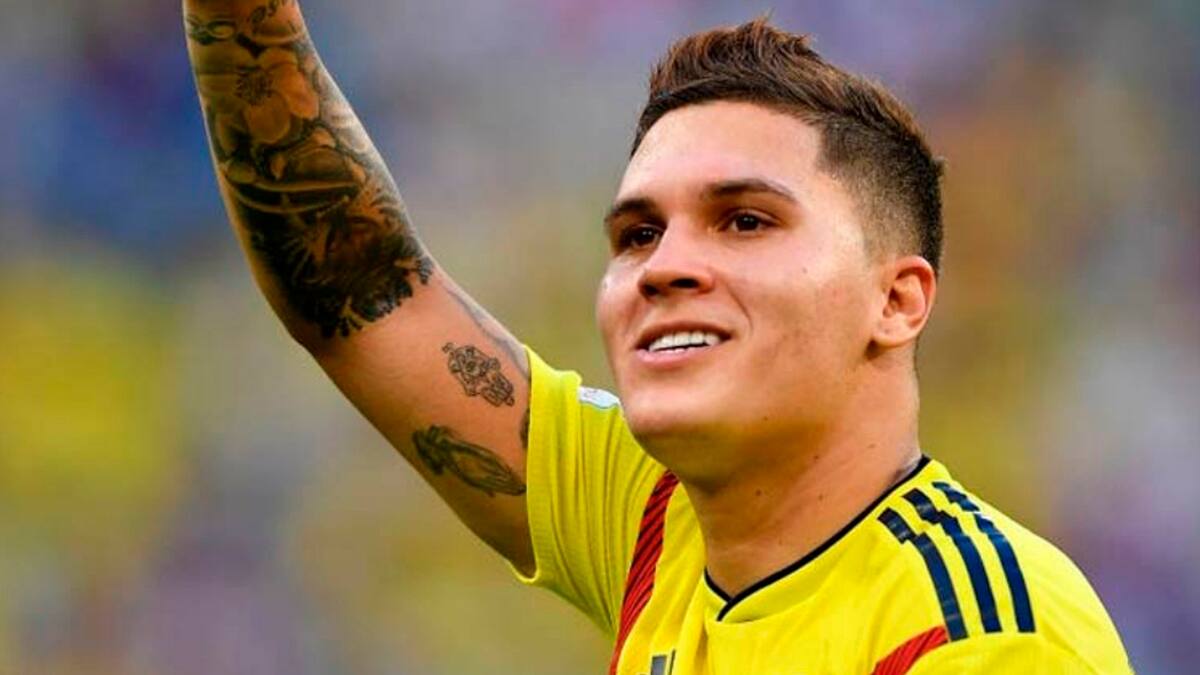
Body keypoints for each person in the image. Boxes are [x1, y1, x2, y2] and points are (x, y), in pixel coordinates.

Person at [182, 1, 1132, 672]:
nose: (664, 266)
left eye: (745, 220)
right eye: (638, 234)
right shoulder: (656, 517)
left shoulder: (985, 638)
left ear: (897, 301)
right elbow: (355, 284)